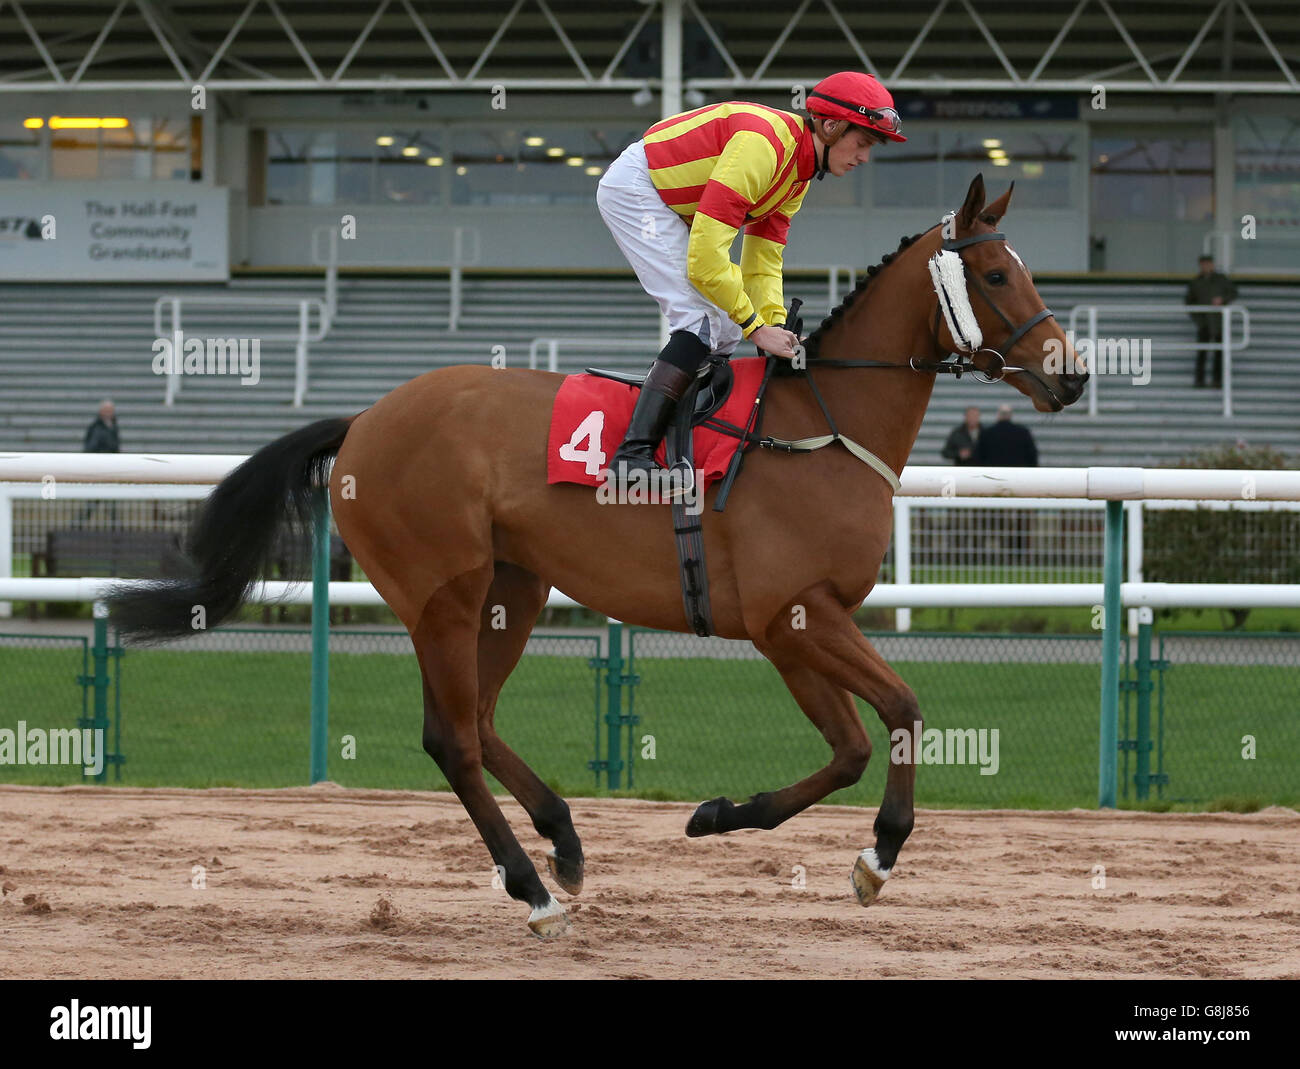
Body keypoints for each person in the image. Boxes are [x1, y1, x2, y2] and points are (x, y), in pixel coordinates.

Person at [595, 71, 905, 491]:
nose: (864, 157)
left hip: (670, 202)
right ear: (831, 126)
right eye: (863, 142)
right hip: (638, 188)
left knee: (723, 330)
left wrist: (775, 323)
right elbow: (706, 261)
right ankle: (632, 457)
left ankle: (690, 443)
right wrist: (757, 329)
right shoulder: (764, 147)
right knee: (701, 323)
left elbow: (763, 260)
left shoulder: (798, 175)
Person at [1185, 255, 1238, 388]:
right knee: (1202, 352)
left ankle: (1217, 380)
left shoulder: (1221, 279)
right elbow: (1189, 302)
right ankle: (1199, 380)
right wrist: (1198, 320)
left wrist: (1223, 300)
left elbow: (1233, 293)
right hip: (1204, 322)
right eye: (1204, 264)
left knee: (1219, 353)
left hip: (1219, 321)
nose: (1206, 267)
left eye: (1208, 264)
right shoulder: (1196, 282)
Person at [79, 400, 120, 525]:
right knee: (92, 504)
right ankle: (77, 527)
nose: (109, 413)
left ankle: (116, 532)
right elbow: (90, 447)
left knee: (111, 506)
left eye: (110, 411)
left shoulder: (114, 427)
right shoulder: (96, 428)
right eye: (106, 410)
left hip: (110, 471)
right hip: (97, 471)